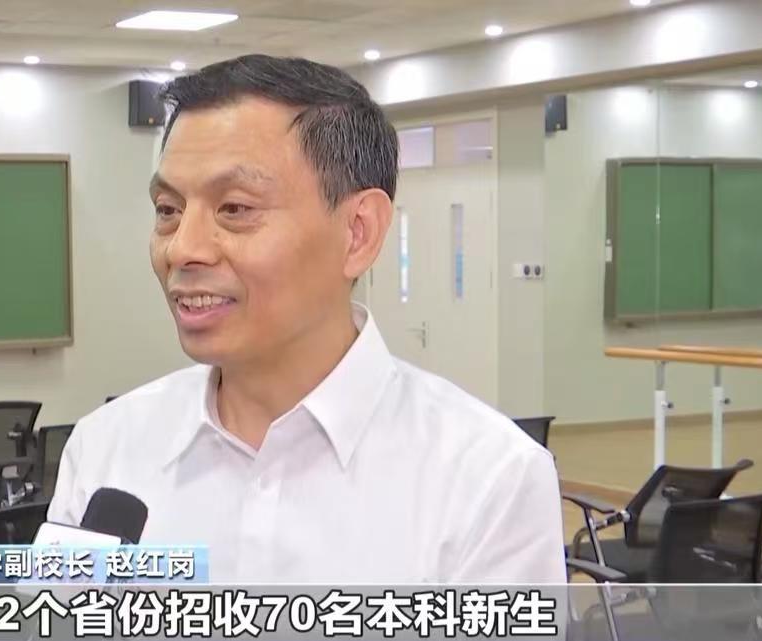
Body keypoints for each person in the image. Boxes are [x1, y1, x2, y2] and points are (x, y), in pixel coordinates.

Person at [49, 54, 565, 583]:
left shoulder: (488, 480)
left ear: (358, 233)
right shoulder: (104, 449)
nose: (182, 248)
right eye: (168, 210)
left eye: (235, 208)